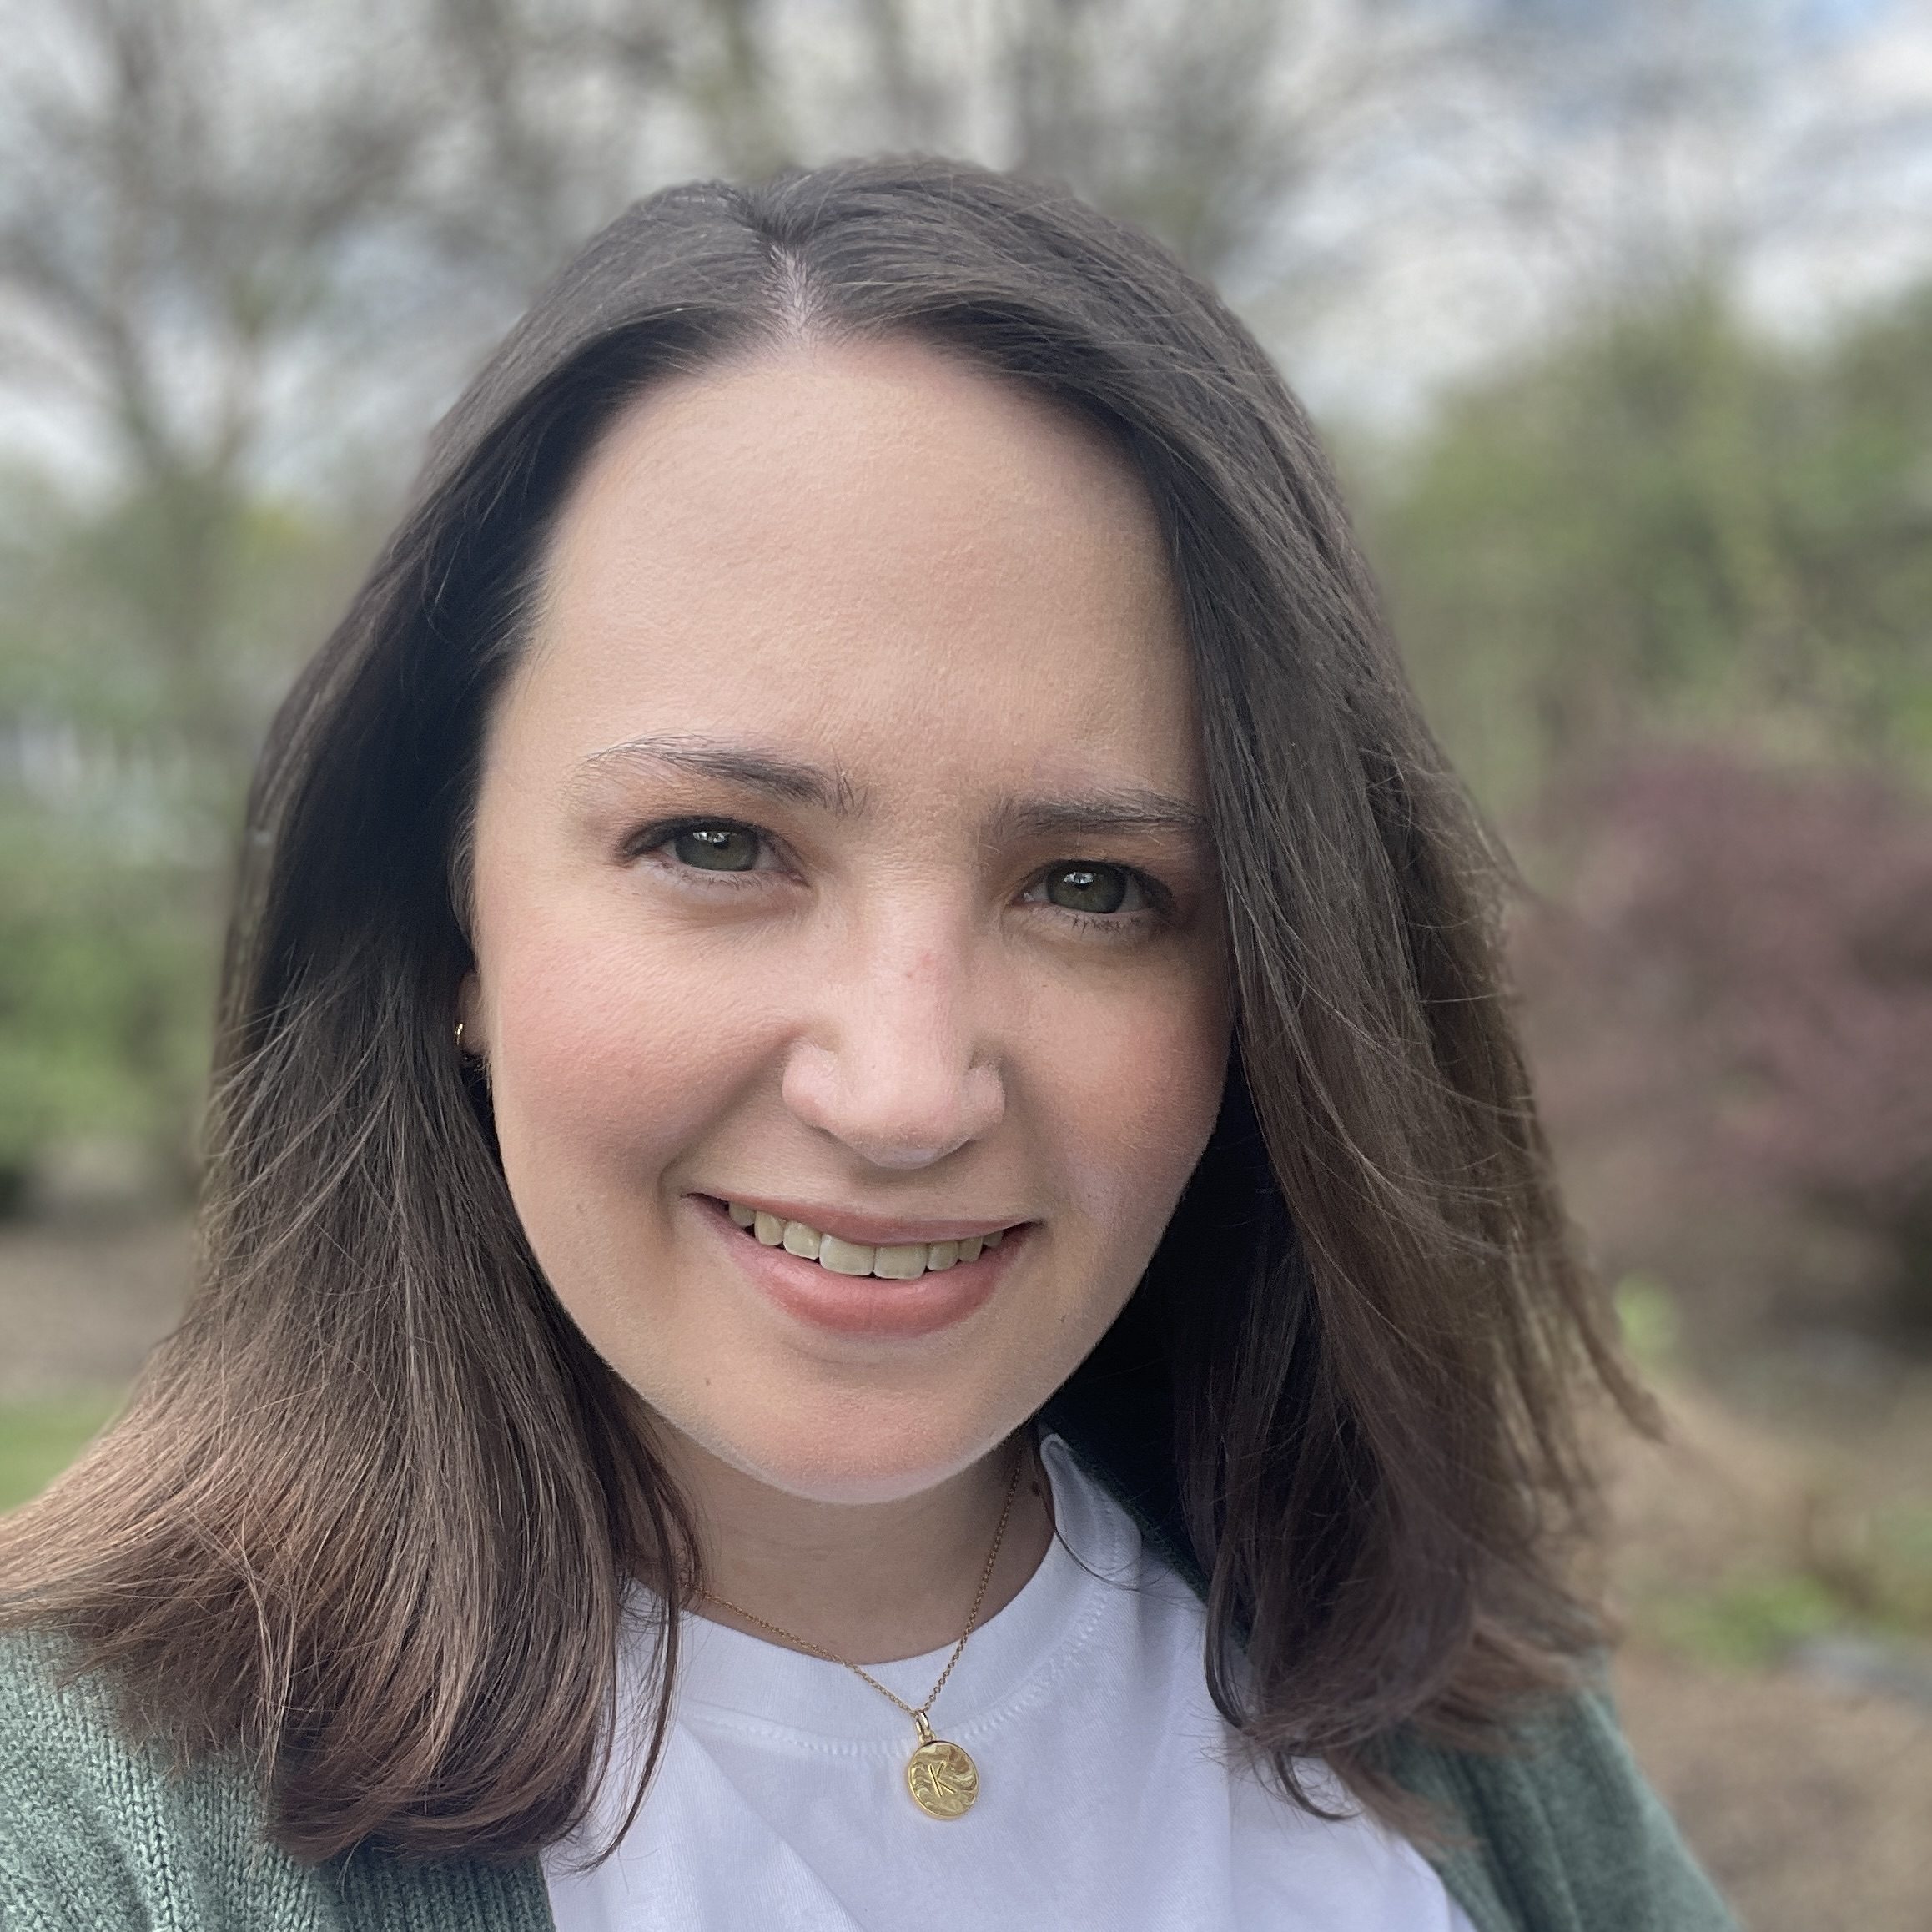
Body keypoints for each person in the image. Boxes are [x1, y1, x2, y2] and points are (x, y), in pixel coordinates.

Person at [0, 157, 1736, 1931]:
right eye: (716, 846)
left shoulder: (1446, 1702)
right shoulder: (76, 1840)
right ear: (450, 911)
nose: (903, 1094)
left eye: (1090, 885)